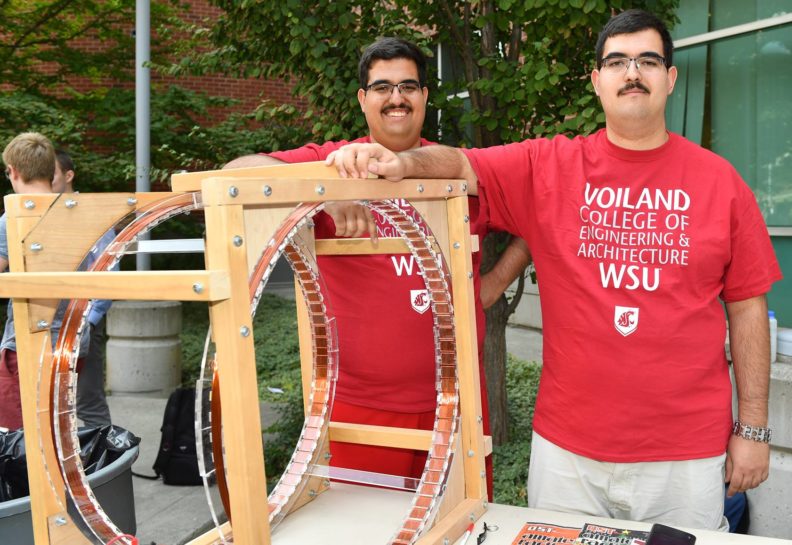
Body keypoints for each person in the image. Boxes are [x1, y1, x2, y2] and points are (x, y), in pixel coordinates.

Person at [325, 10, 782, 530]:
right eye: (616, 62)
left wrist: (754, 430)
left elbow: (747, 306)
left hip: (685, 454)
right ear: (597, 81)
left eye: (648, 61)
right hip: (568, 455)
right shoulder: (550, 165)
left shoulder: (720, 182)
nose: (632, 72)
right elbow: (461, 163)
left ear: (671, 78)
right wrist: (403, 164)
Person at [226, 37, 530, 496]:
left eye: (409, 86)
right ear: (363, 99)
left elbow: (540, 211)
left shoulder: (457, 169)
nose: (396, 98)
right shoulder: (336, 164)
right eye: (382, 86)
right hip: (358, 409)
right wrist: (320, 188)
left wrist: (490, 286)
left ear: (425, 96)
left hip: (458, 401)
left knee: (461, 529)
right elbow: (234, 174)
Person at [50, 149, 113, 428]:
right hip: (45, 320)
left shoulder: (90, 215)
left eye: (50, 174)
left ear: (68, 175)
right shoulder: (34, 212)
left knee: (88, 401)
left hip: (83, 320)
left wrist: (88, 321)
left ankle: (106, 467)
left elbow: (107, 270)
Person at [0, 132, 58, 430]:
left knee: (18, 437)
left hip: (26, 341)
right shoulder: (78, 211)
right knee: (59, 431)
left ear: (14, 171)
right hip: (73, 343)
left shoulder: (13, 217)